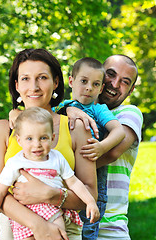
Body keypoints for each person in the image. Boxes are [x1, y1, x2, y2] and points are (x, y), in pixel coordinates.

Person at [0, 48, 98, 240]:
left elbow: (91, 193)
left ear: (56, 82)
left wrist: (52, 195)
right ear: (16, 85)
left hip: (63, 226)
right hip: (14, 227)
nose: (33, 86)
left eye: (42, 77)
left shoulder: (76, 127)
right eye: (25, 78)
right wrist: (37, 225)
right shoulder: (3, 129)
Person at [68, 54, 143, 239]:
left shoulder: (129, 113)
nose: (115, 84)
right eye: (111, 74)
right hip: (70, 220)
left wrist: (62, 173)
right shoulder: (71, 109)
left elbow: (111, 153)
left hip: (110, 227)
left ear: (131, 90)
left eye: (125, 82)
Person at [0, 107, 100, 240]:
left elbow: (74, 182)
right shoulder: (15, 162)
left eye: (43, 138)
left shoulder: (57, 158)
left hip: (53, 210)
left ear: (52, 138)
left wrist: (90, 201)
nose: (37, 144)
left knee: (57, 235)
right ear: (19, 140)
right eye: (29, 139)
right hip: (25, 214)